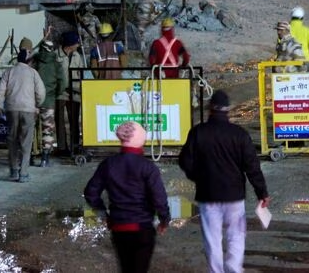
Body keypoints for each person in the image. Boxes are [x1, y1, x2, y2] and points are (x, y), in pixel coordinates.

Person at [179, 90, 270, 273]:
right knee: (236, 236)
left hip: (208, 195)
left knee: (212, 239)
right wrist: (262, 193)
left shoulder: (198, 132)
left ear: (210, 109)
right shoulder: (239, 134)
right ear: (228, 110)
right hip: (234, 196)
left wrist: (198, 178)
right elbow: (252, 167)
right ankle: (234, 269)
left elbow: (184, 161)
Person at [84, 121, 171, 273]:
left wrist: (103, 214)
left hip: (119, 228)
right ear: (142, 140)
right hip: (142, 228)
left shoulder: (108, 164)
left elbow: (91, 192)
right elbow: (159, 198)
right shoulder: (148, 167)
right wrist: (164, 219)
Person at [0, 49, 46, 182]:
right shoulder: (33, 73)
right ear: (29, 61)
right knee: (26, 141)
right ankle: (23, 173)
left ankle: (13, 170)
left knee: (12, 139)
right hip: (28, 110)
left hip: (12, 109)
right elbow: (41, 92)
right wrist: (37, 105)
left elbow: (0, 90)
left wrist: (0, 106)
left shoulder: (9, 72)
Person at [31, 40, 66, 167]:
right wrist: (55, 93)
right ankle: (45, 158)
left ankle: (30, 156)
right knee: (48, 130)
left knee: (31, 129)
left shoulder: (34, 61)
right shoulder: (57, 64)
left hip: (33, 101)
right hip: (49, 100)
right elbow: (63, 83)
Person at [55, 31, 84, 157]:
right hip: (59, 92)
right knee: (59, 121)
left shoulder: (77, 56)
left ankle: (75, 146)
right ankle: (62, 148)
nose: (78, 45)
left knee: (74, 121)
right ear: (70, 44)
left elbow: (81, 73)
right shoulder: (56, 55)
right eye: (76, 43)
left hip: (75, 92)